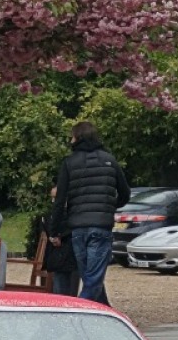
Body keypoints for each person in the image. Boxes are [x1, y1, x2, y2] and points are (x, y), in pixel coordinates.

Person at [47, 121, 130, 305]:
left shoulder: (69, 163)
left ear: (78, 138)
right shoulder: (110, 160)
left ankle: (80, 311)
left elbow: (60, 201)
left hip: (78, 227)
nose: (70, 140)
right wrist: (109, 207)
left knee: (90, 277)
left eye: (72, 136)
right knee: (93, 278)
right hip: (101, 226)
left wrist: (54, 231)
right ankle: (94, 311)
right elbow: (125, 193)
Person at [40, 186, 79, 297]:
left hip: (69, 253)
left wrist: (57, 236)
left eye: (55, 197)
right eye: (52, 198)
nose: (53, 201)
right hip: (58, 255)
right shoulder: (49, 214)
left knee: (67, 284)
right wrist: (53, 237)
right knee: (60, 283)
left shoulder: (71, 213)